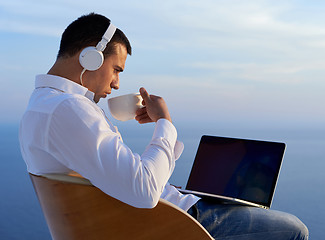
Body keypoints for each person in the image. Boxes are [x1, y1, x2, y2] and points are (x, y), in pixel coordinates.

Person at [19, 13, 309, 240]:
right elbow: (143, 191)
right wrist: (164, 125)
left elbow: (121, 178)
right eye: (117, 68)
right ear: (89, 56)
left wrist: (164, 160)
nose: (117, 83)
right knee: (295, 228)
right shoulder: (70, 109)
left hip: (156, 212)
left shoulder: (41, 106)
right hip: (174, 222)